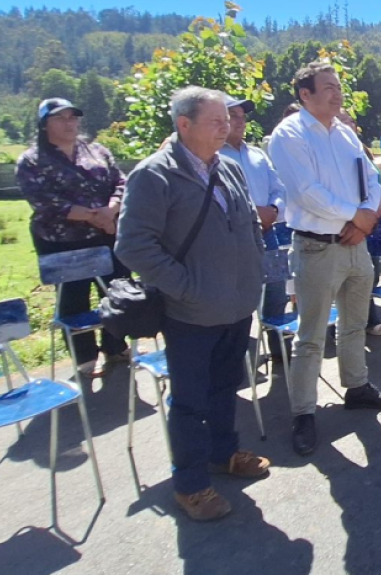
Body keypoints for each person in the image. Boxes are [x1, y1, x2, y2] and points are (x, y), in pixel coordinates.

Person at [115, 86, 271, 522]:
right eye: (216, 120)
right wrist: (186, 288)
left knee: (226, 386)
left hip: (236, 305)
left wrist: (252, 271)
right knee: (189, 402)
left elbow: (249, 226)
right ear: (184, 125)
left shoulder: (229, 167)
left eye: (229, 119)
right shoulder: (154, 175)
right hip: (191, 313)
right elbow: (133, 246)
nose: (228, 127)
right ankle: (190, 485)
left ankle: (224, 454)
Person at [268, 60, 381, 458]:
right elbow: (307, 192)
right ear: (305, 94)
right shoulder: (289, 134)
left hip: (356, 243)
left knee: (355, 324)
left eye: (338, 86)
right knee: (311, 336)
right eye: (328, 87)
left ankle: (357, 387)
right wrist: (356, 216)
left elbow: (372, 181)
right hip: (316, 247)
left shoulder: (344, 134)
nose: (337, 92)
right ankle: (303, 413)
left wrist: (366, 220)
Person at [16, 98, 131, 378]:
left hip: (108, 233)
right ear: (44, 125)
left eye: (72, 117)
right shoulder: (31, 161)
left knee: (117, 292)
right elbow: (43, 201)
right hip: (63, 242)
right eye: (60, 118)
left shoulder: (97, 151)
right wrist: (94, 216)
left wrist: (111, 209)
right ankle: (85, 358)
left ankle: (115, 347)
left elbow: (121, 182)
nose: (69, 123)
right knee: (73, 299)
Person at [221, 95, 289, 330]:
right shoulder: (214, 157)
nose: (240, 121)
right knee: (238, 300)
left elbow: (278, 188)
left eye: (242, 116)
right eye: (233, 116)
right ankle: (243, 347)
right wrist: (253, 213)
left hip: (268, 234)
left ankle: (277, 345)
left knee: (276, 292)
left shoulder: (257, 155)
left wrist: (273, 209)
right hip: (235, 239)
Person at [336, 109, 381, 338]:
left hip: (370, 222)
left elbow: (379, 184)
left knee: (371, 273)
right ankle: (364, 320)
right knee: (348, 281)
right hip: (346, 226)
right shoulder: (331, 153)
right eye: (342, 120)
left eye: (350, 120)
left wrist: (371, 215)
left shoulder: (363, 150)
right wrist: (358, 221)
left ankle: (367, 319)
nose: (348, 124)